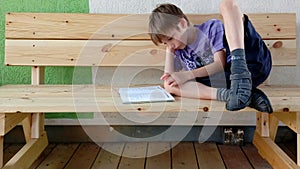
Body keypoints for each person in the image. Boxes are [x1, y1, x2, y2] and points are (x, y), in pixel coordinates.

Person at [148, 0, 273, 113]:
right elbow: (168, 79)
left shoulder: (210, 28)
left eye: (170, 38)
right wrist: (169, 50)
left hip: (252, 62)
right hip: (229, 82)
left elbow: (220, 64)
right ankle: (231, 95)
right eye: (165, 43)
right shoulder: (179, 50)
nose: (171, 45)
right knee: (170, 86)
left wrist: (188, 74)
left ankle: (240, 73)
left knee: (226, 4)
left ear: (182, 23)